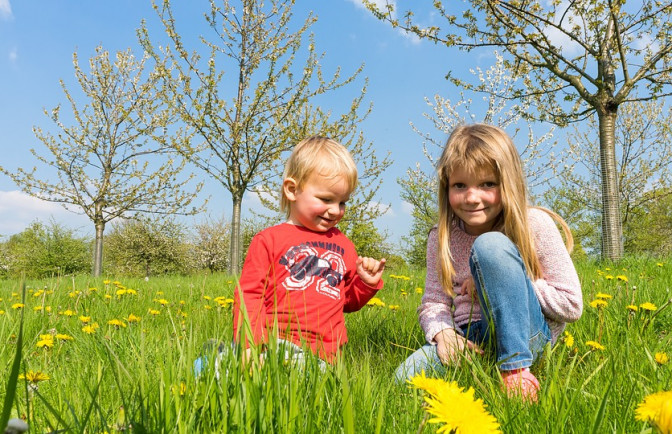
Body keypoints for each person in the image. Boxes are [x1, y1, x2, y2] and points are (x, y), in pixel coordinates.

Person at [395, 124, 582, 402]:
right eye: (460, 185)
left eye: (487, 184)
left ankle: (516, 369)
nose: (472, 197)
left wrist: (503, 280)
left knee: (490, 246)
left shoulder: (536, 224)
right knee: (405, 379)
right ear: (446, 186)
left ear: (508, 183)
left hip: (528, 335)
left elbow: (571, 305)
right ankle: (486, 366)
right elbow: (434, 302)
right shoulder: (440, 236)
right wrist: (444, 334)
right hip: (471, 337)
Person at [232, 136, 387, 369]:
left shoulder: (343, 245)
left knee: (300, 376)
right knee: (255, 372)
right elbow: (249, 296)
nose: (336, 210)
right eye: (326, 199)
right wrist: (249, 346)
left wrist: (365, 284)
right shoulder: (269, 240)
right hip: (273, 343)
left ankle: (222, 361)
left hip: (323, 356)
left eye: (343, 202)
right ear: (292, 190)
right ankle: (226, 360)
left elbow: (346, 301)